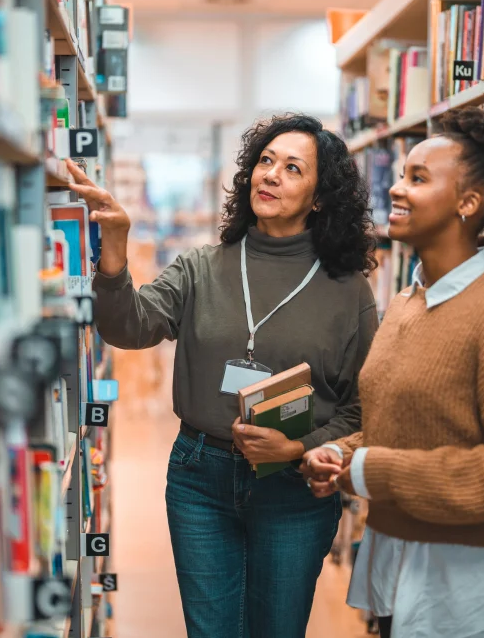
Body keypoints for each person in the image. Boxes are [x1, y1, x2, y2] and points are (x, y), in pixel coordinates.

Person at [66, 113, 379, 638]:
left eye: (292, 168)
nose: (271, 174)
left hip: (293, 486)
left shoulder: (348, 292)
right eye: (265, 161)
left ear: (320, 197)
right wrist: (115, 252)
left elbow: (362, 408)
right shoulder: (201, 267)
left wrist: (298, 449)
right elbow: (130, 327)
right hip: (199, 477)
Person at [302, 107, 484, 638]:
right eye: (401, 175)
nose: (396, 190)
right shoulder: (407, 302)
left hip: (474, 590)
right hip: (404, 568)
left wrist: (370, 471)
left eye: (418, 179)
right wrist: (344, 454)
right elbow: (405, 428)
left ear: (467, 203)